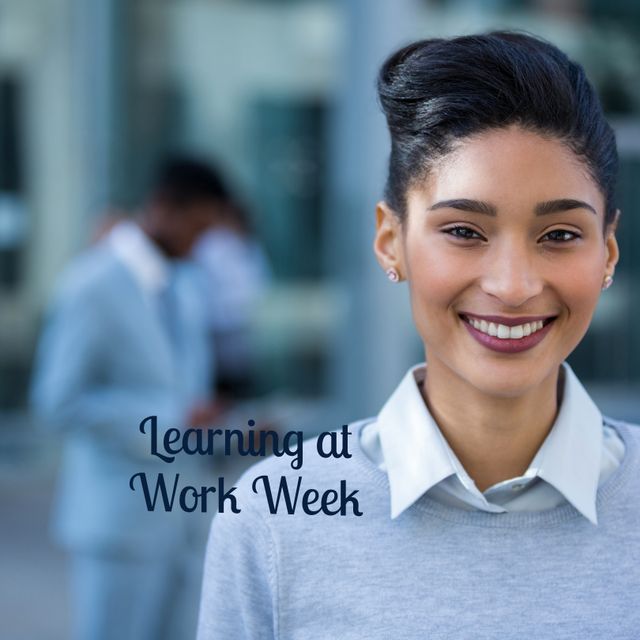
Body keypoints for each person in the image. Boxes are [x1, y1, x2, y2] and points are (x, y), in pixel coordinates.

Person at [196, 32, 640, 639]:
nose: (512, 285)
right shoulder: (273, 519)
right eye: (463, 230)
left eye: (559, 235)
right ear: (391, 240)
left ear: (608, 252)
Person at [31, 156, 229, 640]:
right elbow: (57, 400)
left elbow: (183, 394)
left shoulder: (182, 284)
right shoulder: (92, 283)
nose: (202, 243)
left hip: (181, 523)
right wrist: (170, 418)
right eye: (198, 228)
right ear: (163, 209)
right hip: (117, 525)